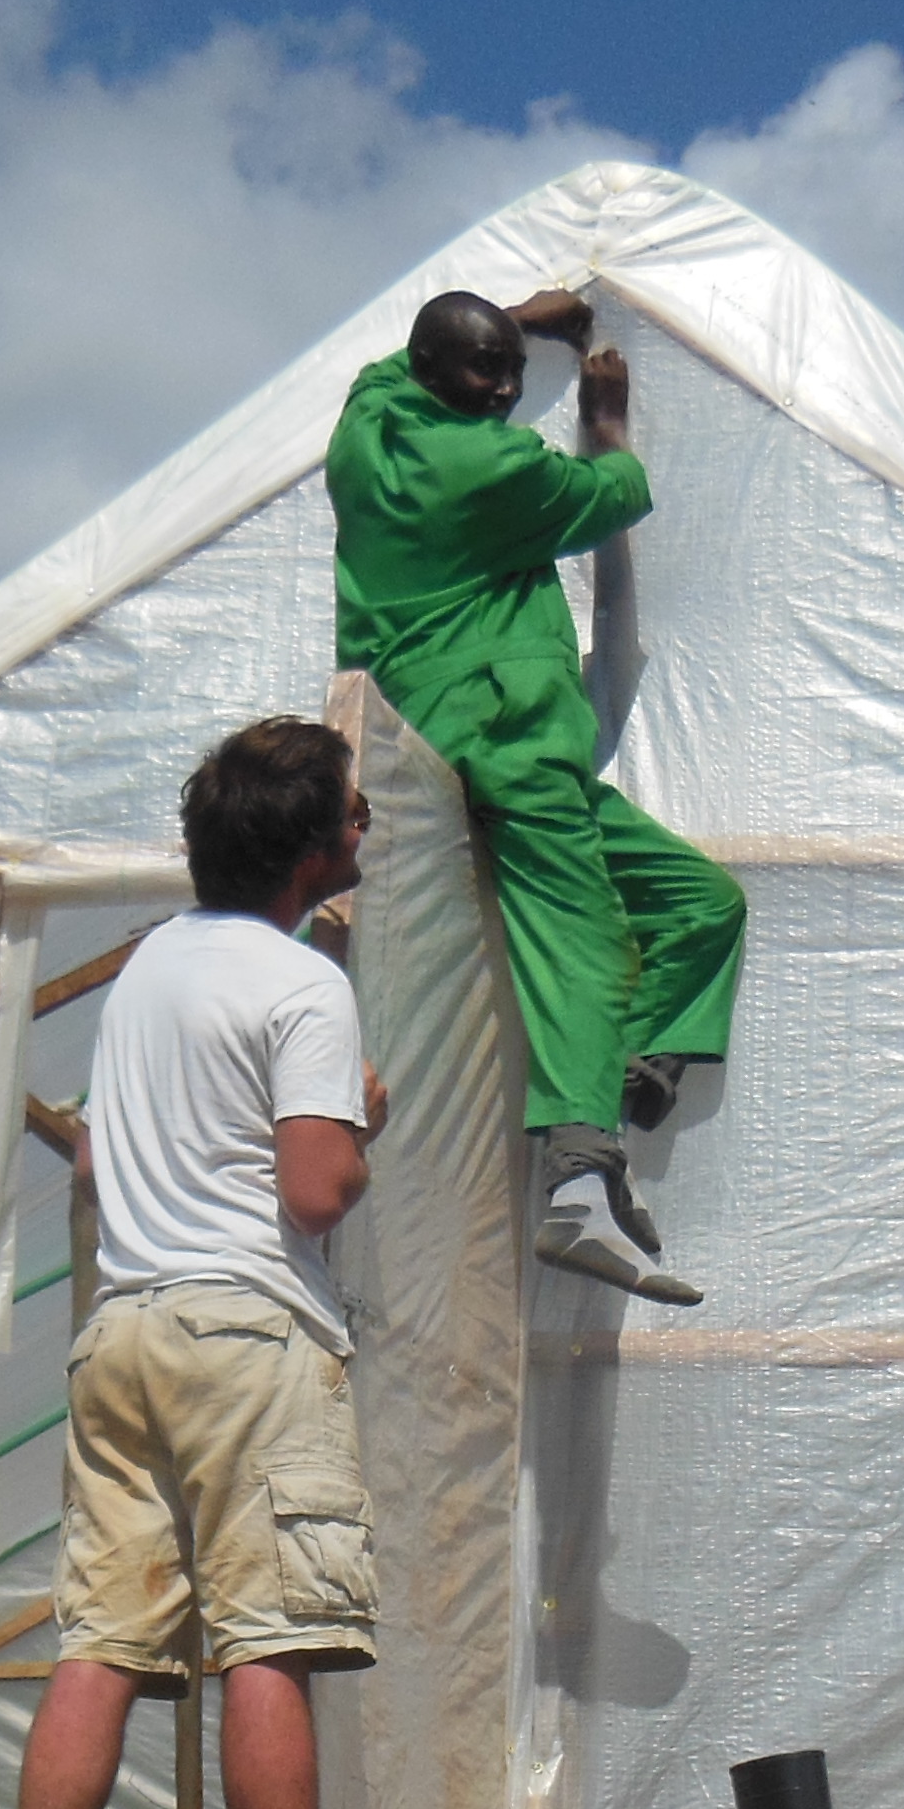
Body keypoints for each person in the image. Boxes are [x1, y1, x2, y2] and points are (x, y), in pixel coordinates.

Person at [16, 718, 389, 1809]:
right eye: (353, 808)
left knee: (102, 1643)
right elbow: (316, 1191)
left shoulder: (150, 973)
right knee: (271, 1638)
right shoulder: (304, 984)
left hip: (122, 1332)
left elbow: (90, 1171)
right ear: (307, 852)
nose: (365, 824)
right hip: (246, 1330)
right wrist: (359, 1119)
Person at [328, 283, 742, 1304]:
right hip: (505, 734)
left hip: (434, 738)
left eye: (511, 372)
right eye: (488, 371)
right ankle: (573, 1183)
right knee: (585, 938)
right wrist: (606, 426)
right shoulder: (491, 464)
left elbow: (384, 370)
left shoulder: (367, 427)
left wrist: (516, 319)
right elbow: (612, 498)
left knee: (702, 904)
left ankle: (620, 1087)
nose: (507, 388)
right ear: (440, 373)